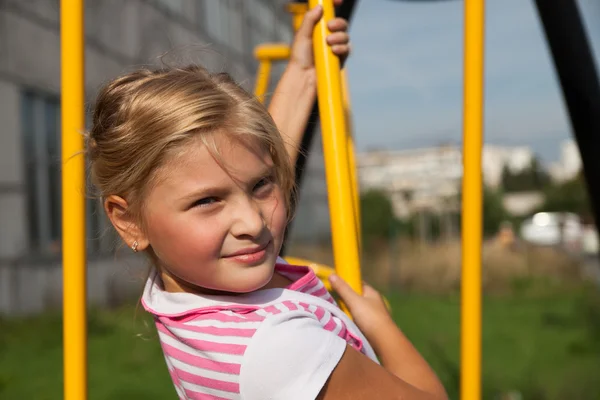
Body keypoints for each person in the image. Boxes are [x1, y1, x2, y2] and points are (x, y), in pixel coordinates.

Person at [88, 4, 447, 400]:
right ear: (129, 222)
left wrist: (304, 74)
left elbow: (248, 163)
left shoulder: (185, 289)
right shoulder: (283, 349)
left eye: (261, 186)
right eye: (208, 201)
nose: (252, 222)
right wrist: (379, 322)